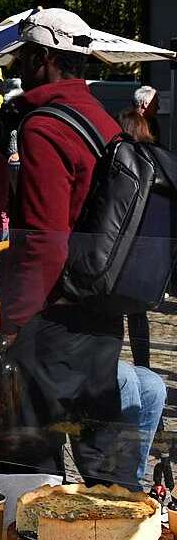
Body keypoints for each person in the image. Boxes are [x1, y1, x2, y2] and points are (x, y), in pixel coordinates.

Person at [0, 8, 136, 487]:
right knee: (103, 463)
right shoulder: (101, 119)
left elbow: (45, 240)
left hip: (53, 316)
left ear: (44, 58)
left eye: (25, 58)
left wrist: (12, 320)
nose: (19, 70)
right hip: (102, 311)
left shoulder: (44, 125)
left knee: (22, 462)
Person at [118, 108, 155, 368]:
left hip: (125, 243)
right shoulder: (157, 159)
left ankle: (114, 363)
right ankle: (143, 364)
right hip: (148, 247)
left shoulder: (123, 160)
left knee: (114, 310)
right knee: (137, 312)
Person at [117, 360, 166, 486]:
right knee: (125, 377)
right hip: (75, 356)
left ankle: (131, 478)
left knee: (153, 386)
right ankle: (121, 476)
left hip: (108, 355)